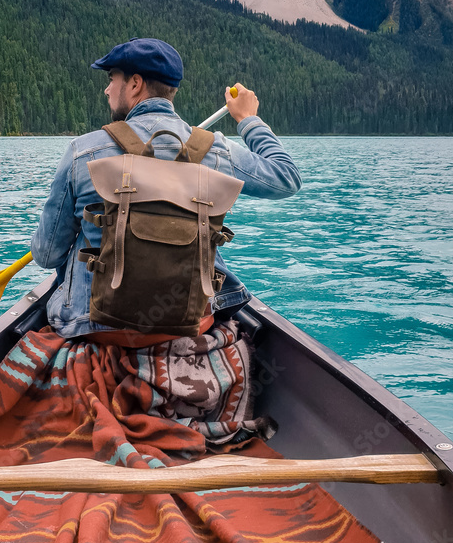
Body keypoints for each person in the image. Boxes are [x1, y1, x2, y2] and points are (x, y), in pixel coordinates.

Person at [31, 37, 302, 338]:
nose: (107, 89)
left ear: (135, 84)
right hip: (190, 323)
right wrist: (248, 120)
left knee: (86, 228)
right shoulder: (214, 151)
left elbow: (46, 256)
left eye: (112, 80)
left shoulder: (83, 151)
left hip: (92, 324)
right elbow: (286, 177)